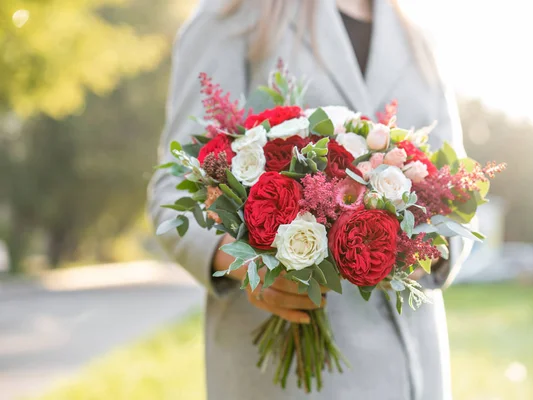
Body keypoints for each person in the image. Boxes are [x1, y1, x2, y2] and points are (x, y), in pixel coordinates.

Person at [148, 0, 469, 398]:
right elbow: (176, 183)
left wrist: (431, 248)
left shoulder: (420, 39)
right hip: (286, 364)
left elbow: (456, 189)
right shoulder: (234, 15)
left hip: (412, 367)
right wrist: (247, 264)